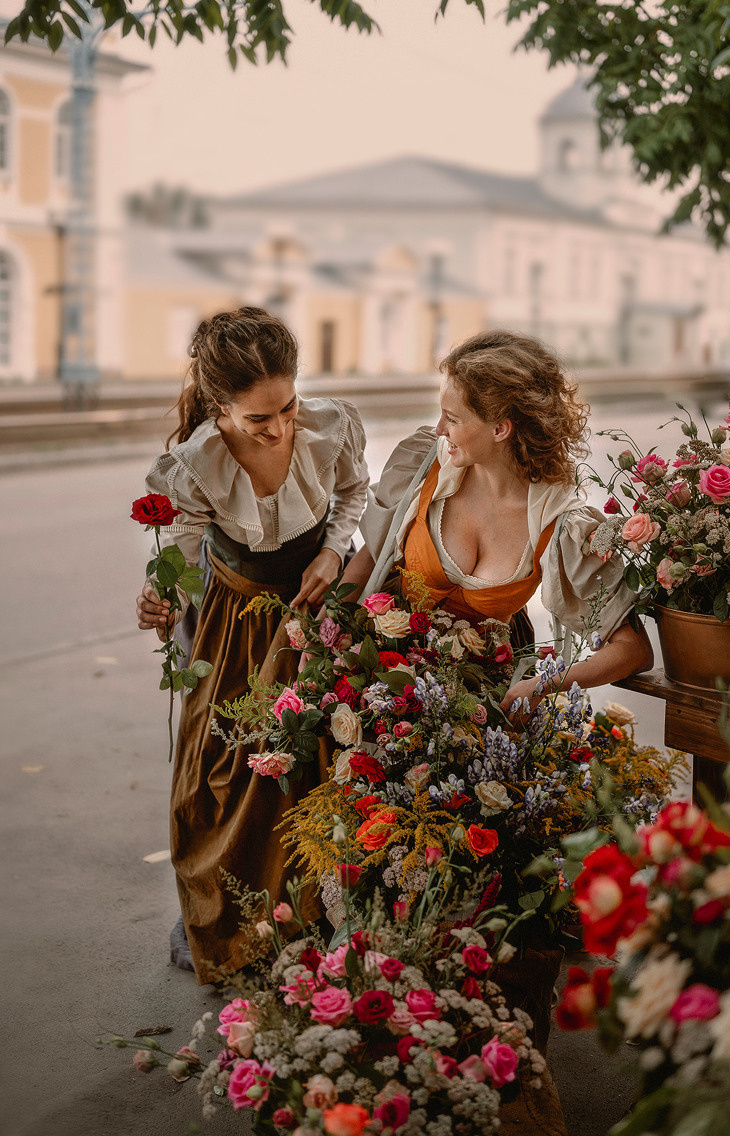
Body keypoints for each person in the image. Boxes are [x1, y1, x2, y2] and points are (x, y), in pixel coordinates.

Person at [135, 306, 369, 984]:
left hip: (321, 599)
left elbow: (356, 493)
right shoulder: (194, 464)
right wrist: (160, 598)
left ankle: (323, 913)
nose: (280, 427)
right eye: (258, 419)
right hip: (238, 616)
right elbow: (178, 563)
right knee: (227, 765)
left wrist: (331, 554)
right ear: (219, 407)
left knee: (327, 754)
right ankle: (233, 914)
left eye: (288, 407)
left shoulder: (329, 427)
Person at [340, 329, 653, 700]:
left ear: (500, 428)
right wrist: (327, 638)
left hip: (475, 705)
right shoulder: (425, 465)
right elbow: (374, 554)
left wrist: (543, 685)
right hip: (373, 680)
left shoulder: (559, 523)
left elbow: (634, 650)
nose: (440, 429)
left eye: (451, 418)